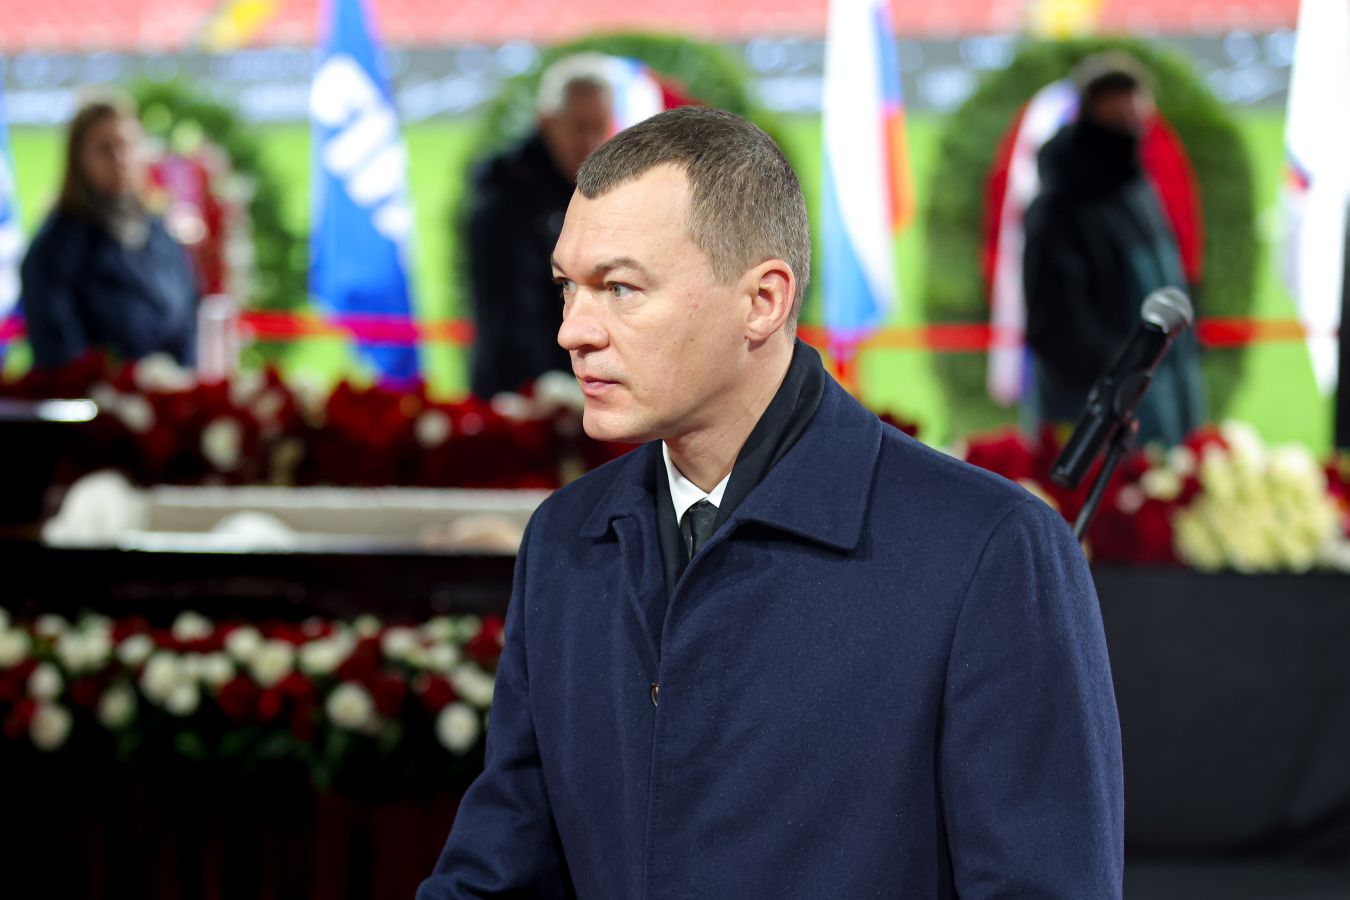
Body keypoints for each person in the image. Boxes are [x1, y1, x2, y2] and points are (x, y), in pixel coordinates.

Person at [420, 107, 1123, 898]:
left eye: (619, 288)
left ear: (763, 300)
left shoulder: (991, 550)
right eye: (566, 288)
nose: (573, 332)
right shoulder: (565, 540)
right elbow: (501, 872)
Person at [1022, 53, 1206, 447]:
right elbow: (1056, 326)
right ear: (1093, 108)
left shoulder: (1138, 189)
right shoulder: (1061, 203)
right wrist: (1124, 380)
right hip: (1097, 420)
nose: (1132, 119)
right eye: (1120, 110)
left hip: (1156, 406)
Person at [465, 53, 614, 399]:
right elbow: (509, 316)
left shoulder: (594, 191)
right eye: (579, 127)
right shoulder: (505, 195)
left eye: (599, 127)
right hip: (523, 396)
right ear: (547, 122)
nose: (590, 142)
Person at [21, 95, 199, 370]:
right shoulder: (57, 246)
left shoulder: (158, 232)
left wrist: (175, 381)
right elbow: (57, 351)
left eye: (126, 145)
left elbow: (190, 319)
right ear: (78, 159)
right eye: (105, 149)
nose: (120, 159)